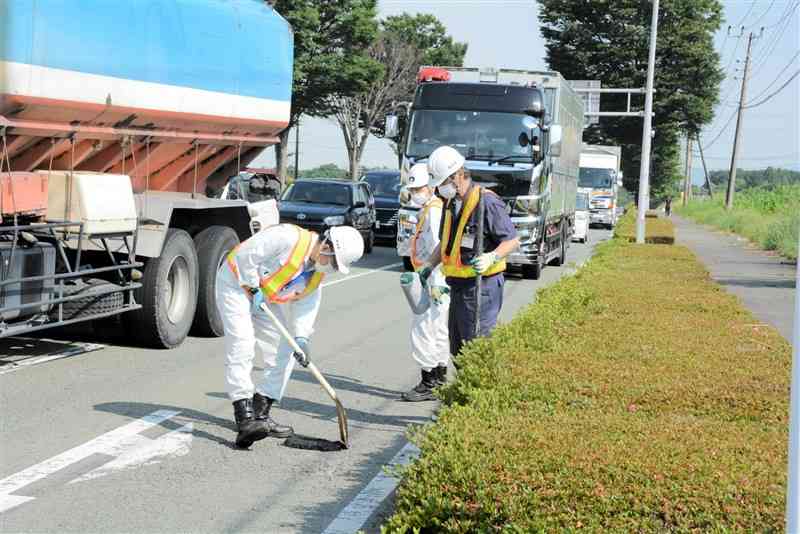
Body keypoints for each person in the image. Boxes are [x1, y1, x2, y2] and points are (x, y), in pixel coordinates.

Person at [215, 224, 364, 448]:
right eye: (332, 262)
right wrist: (253, 287)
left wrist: (301, 338)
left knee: (286, 347)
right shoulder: (287, 237)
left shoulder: (315, 275)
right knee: (242, 344)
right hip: (235, 283)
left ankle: (261, 413)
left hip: (262, 297)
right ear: (326, 245)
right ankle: (244, 417)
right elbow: (247, 255)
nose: (331, 268)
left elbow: (306, 305)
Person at [418, 146, 520, 362]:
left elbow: (512, 240)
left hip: (482, 287)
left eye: (443, 183)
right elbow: (446, 244)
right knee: (458, 349)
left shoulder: (487, 202)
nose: (439, 189)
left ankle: (479, 394)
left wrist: (492, 256)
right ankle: (464, 393)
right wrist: (428, 265)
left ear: (458, 175)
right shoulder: (449, 204)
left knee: (476, 348)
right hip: (458, 287)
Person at [401, 163, 451, 402]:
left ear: (430, 187)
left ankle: (429, 380)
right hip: (438, 276)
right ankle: (440, 376)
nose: (414, 193)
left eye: (418, 188)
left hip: (432, 275)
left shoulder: (433, 211)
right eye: (412, 189)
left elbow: (436, 247)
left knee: (423, 327)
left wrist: (430, 275)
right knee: (439, 326)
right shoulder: (435, 208)